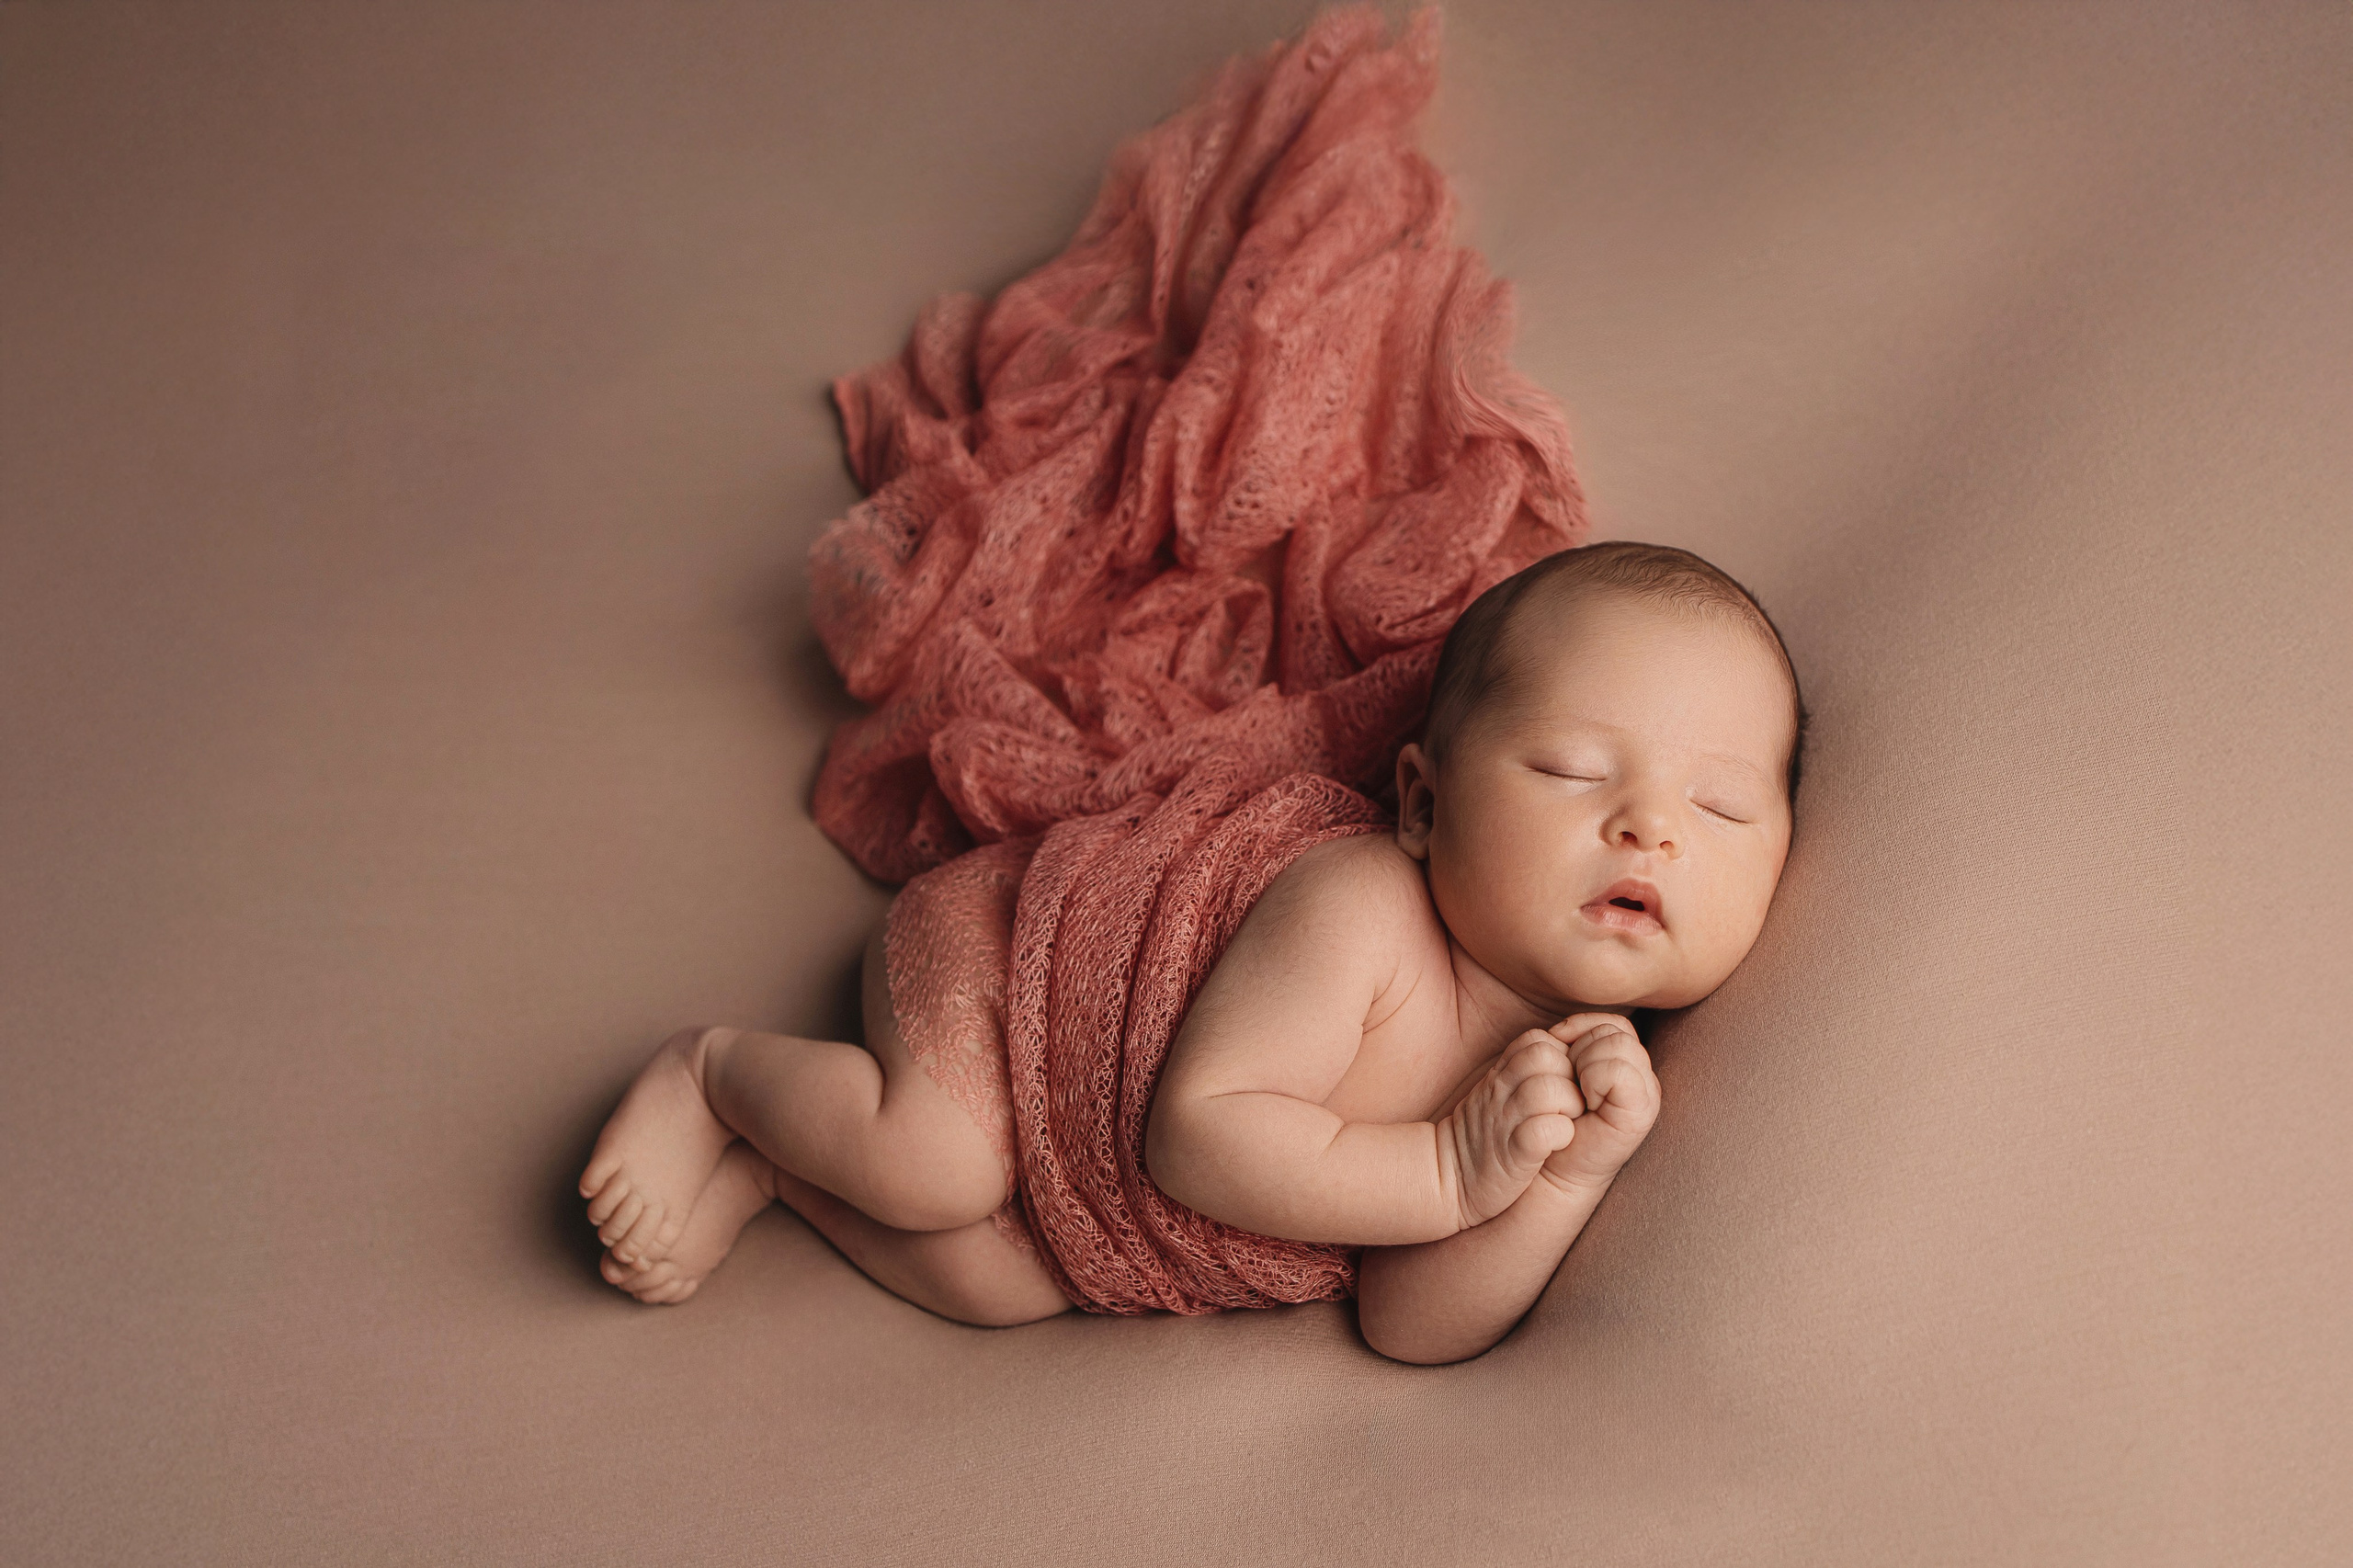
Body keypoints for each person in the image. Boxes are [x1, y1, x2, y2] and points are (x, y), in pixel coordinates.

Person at [577, 540, 1807, 1364]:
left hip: (1089, 1200)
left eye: (1721, 808)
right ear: (1425, 804)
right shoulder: (1364, 909)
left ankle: (779, 1173)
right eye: (1574, 770)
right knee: (934, 1161)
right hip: (1010, 966)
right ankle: (713, 1072)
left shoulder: (1577, 1075)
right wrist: (1449, 1166)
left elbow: (1409, 1325)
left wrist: (1557, 1181)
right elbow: (1199, 1135)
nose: (1650, 826)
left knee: (1003, 1290)